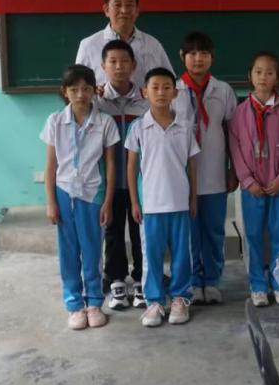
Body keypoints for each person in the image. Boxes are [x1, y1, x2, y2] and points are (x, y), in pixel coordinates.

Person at [40, 65, 119, 330]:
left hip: (92, 195)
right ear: (65, 92)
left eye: (86, 89)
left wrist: (107, 201)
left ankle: (94, 302)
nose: (80, 94)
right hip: (64, 193)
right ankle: (74, 304)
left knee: (93, 251)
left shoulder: (105, 122)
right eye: (74, 89)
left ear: (94, 90)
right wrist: (51, 202)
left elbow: (111, 165)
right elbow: (51, 166)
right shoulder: (55, 121)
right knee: (69, 253)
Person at [126, 67, 199, 327]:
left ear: (175, 93)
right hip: (151, 205)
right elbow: (131, 167)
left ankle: (180, 297)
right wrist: (135, 202)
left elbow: (192, 166)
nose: (160, 92)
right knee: (151, 256)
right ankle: (155, 301)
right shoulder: (138, 127)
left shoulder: (185, 127)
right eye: (154, 87)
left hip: (179, 203)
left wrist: (193, 198)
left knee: (181, 255)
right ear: (144, 92)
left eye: (166, 87)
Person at [229, 52, 279, 307]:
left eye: (269, 72)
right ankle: (257, 284)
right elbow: (235, 149)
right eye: (258, 72)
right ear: (250, 75)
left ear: (276, 77)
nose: (263, 77)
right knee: (254, 236)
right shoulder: (240, 113)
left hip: (277, 186)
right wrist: (247, 180)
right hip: (252, 188)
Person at [172, 32, 238, 304]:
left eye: (204, 53)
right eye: (192, 53)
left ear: (212, 57)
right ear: (182, 56)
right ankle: (193, 281)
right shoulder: (172, 90)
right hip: (182, 176)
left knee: (213, 230)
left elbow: (233, 133)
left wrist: (233, 169)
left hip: (214, 175)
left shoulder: (223, 90)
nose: (198, 59)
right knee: (189, 233)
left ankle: (211, 280)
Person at [95, 40, 149, 310]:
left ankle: (141, 278)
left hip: (140, 182)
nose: (119, 67)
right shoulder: (96, 101)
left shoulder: (146, 99)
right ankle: (116, 278)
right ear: (103, 66)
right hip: (110, 182)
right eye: (113, 62)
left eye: (124, 61)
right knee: (113, 230)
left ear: (134, 65)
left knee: (141, 230)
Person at [75, 0, 172, 89]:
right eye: (117, 5)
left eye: (129, 5)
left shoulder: (153, 45)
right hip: (104, 100)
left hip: (143, 100)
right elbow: (77, 87)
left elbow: (169, 82)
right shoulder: (88, 46)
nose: (124, 11)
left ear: (137, 11)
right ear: (106, 10)